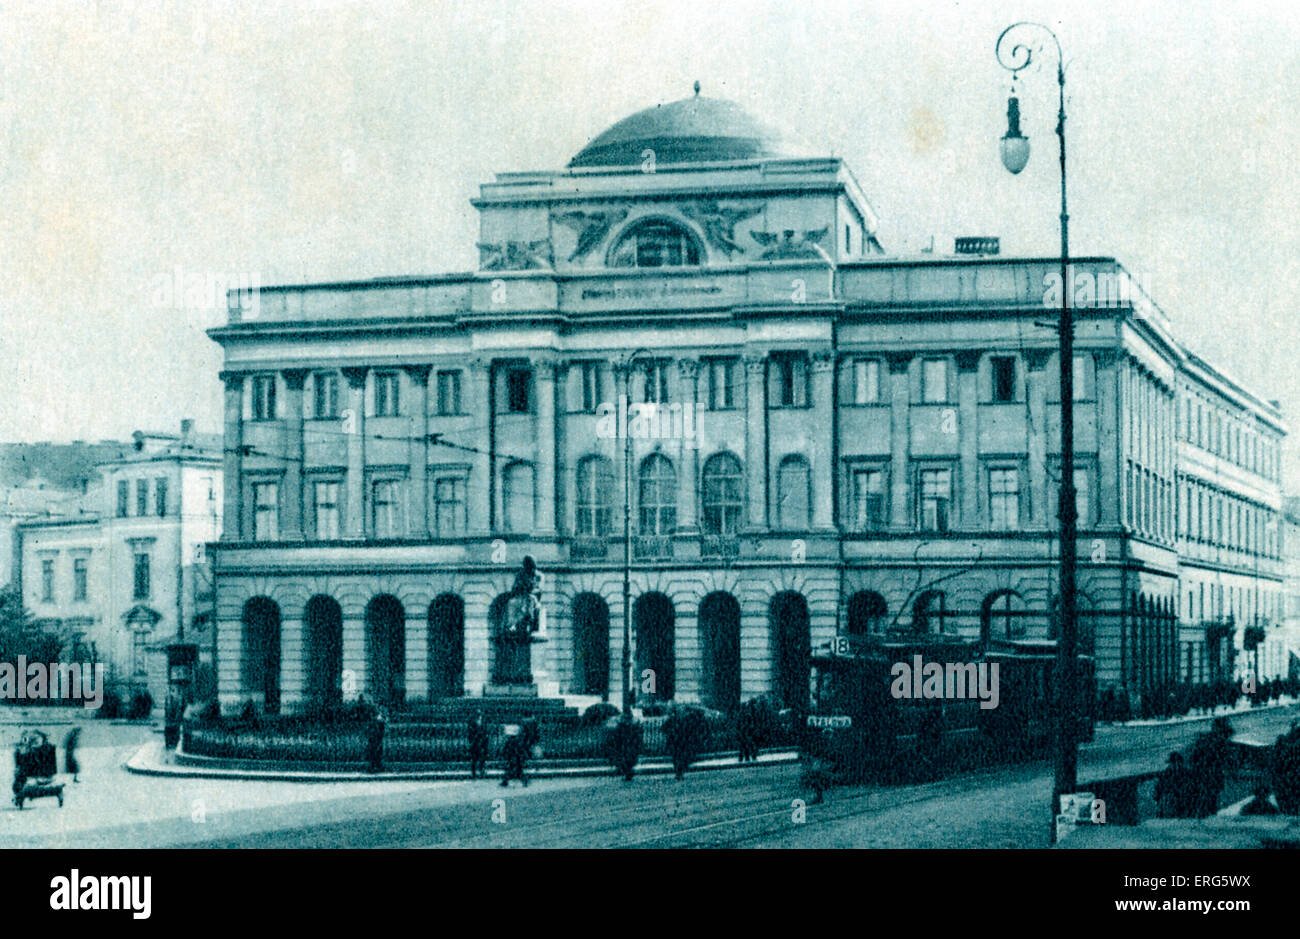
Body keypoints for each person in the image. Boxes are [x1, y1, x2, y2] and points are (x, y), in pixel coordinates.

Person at [1154, 752, 1192, 818]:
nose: (1175, 765)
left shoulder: (1186, 774)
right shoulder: (1166, 775)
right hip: (1172, 803)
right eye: (1173, 763)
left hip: (1181, 803)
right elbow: (1157, 791)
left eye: (1177, 763)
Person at [468, 713, 489, 780]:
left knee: (482, 759)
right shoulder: (473, 723)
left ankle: (481, 772)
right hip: (475, 744)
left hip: (481, 744)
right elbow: (470, 733)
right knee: (474, 759)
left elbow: (485, 732)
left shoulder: (483, 723)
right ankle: (474, 773)